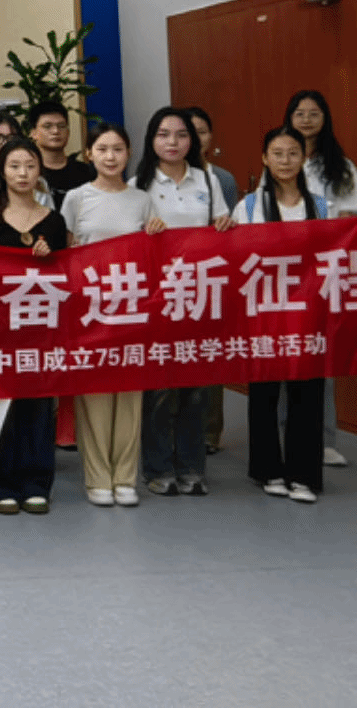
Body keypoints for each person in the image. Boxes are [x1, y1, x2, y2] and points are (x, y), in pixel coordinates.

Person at [0, 138, 68, 514]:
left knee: (37, 407)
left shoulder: (53, 221)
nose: (22, 173)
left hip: (37, 327)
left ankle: (35, 481)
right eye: (14, 166)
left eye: (29, 165)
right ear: (1, 171)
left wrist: (50, 260)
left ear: (39, 171)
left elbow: (66, 276)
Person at [135, 107, 231, 497]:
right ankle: (158, 468)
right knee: (159, 388)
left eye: (181, 134)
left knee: (196, 386)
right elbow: (126, 241)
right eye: (163, 134)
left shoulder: (208, 180)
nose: (172, 142)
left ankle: (192, 467)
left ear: (192, 140)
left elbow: (223, 226)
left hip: (199, 294)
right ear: (151, 140)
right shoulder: (139, 184)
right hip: (157, 298)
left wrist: (225, 226)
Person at [233, 125, 331, 504]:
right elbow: (236, 256)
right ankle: (268, 470)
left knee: (308, 394)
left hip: (308, 313)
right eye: (277, 153)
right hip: (265, 312)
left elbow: (337, 250)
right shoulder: (249, 207)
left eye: (292, 153)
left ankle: (303, 474)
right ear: (264, 158)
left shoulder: (321, 206)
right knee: (265, 394)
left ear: (303, 158)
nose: (285, 161)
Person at [61, 125, 157, 509]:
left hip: (131, 310)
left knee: (130, 397)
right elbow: (66, 256)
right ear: (89, 153)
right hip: (90, 311)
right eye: (102, 149)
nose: (111, 156)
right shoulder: (75, 198)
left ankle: (125, 477)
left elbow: (155, 254)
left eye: (118, 149)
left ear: (129, 153)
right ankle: (98, 477)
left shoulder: (142, 200)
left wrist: (158, 233)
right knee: (95, 397)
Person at [283, 89, 357, 468]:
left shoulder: (341, 166)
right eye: (299, 113)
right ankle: (288, 437)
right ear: (289, 118)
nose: (306, 120)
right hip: (287, 272)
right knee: (288, 356)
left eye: (314, 113)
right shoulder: (282, 159)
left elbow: (355, 214)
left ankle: (324, 440)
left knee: (322, 355)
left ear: (325, 119)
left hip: (326, 272)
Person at [184, 105, 237, 454]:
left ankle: (209, 432)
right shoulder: (151, 179)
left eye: (201, 132)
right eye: (186, 132)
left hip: (212, 277)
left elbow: (230, 230)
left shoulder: (223, 180)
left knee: (211, 355)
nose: (193, 139)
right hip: (173, 280)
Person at [26, 99, 94, 209]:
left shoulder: (87, 172)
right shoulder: (27, 174)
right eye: (47, 126)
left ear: (68, 132)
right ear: (33, 133)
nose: (55, 131)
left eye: (61, 126)